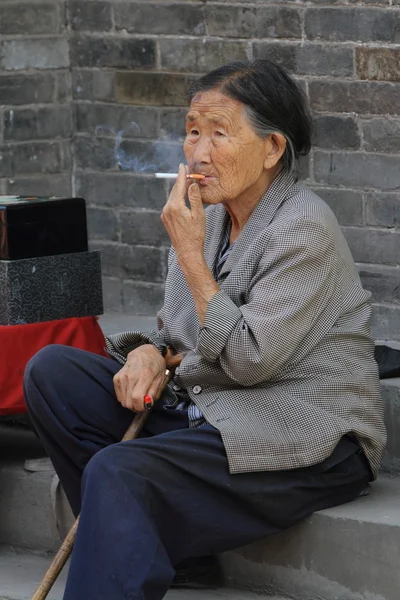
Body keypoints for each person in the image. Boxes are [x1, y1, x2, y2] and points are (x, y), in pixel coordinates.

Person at [24, 60, 386, 600]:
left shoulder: (303, 226)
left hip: (304, 432)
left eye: (220, 133)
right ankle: (176, 553)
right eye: (193, 131)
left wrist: (191, 257)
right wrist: (148, 352)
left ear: (271, 149)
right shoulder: (209, 215)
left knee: (119, 470)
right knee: (52, 372)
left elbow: (249, 361)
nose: (198, 152)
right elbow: (175, 330)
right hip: (213, 409)